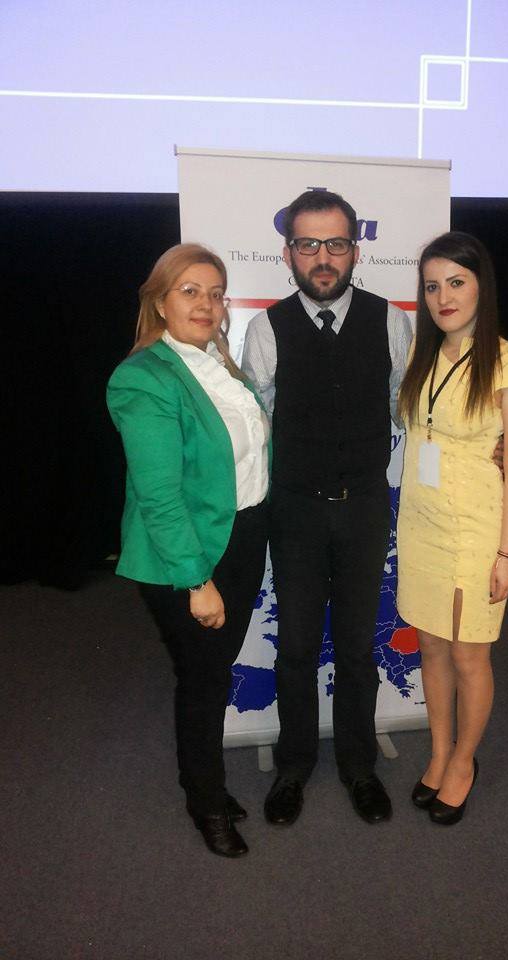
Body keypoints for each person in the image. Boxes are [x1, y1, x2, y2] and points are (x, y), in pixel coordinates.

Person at [241, 190, 413, 825]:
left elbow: (404, 406)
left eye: (335, 243)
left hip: (364, 507)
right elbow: (256, 420)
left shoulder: (390, 321)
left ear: (355, 250)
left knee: (358, 646)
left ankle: (359, 766)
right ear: (288, 253)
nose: (322, 257)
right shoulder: (266, 329)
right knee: (296, 647)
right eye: (308, 244)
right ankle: (294, 766)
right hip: (296, 513)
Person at [107, 243, 270, 857]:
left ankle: (205, 781)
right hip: (187, 555)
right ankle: (205, 801)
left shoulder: (221, 367)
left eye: (215, 293)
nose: (206, 304)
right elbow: (159, 495)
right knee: (202, 678)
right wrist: (197, 581)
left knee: (213, 671)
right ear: (159, 302)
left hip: (241, 537)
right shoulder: (143, 377)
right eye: (190, 291)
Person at [396, 231, 508, 825]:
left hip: (476, 529)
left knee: (469, 655)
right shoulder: (421, 353)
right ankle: (437, 753)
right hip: (421, 523)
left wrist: (507, 553)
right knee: (430, 645)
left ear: (482, 285)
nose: (444, 297)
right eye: (432, 286)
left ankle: (463, 761)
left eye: (456, 282)